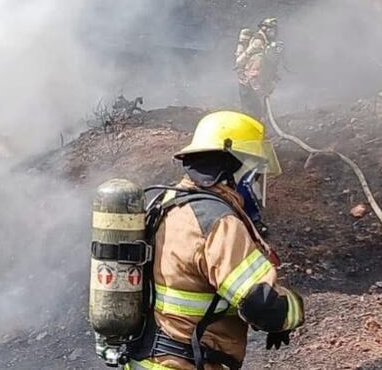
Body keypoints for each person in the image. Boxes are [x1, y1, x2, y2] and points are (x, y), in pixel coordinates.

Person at [126, 111, 304, 369]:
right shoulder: (218, 222)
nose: (258, 187)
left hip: (146, 361)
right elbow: (263, 306)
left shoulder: (170, 205)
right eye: (256, 176)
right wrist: (293, 308)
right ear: (236, 170)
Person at [235, 18, 282, 122]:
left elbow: (268, 67)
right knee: (251, 116)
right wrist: (261, 91)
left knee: (259, 114)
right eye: (271, 30)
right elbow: (253, 75)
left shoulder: (265, 44)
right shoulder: (258, 48)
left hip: (256, 85)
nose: (274, 33)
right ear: (265, 30)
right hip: (249, 86)